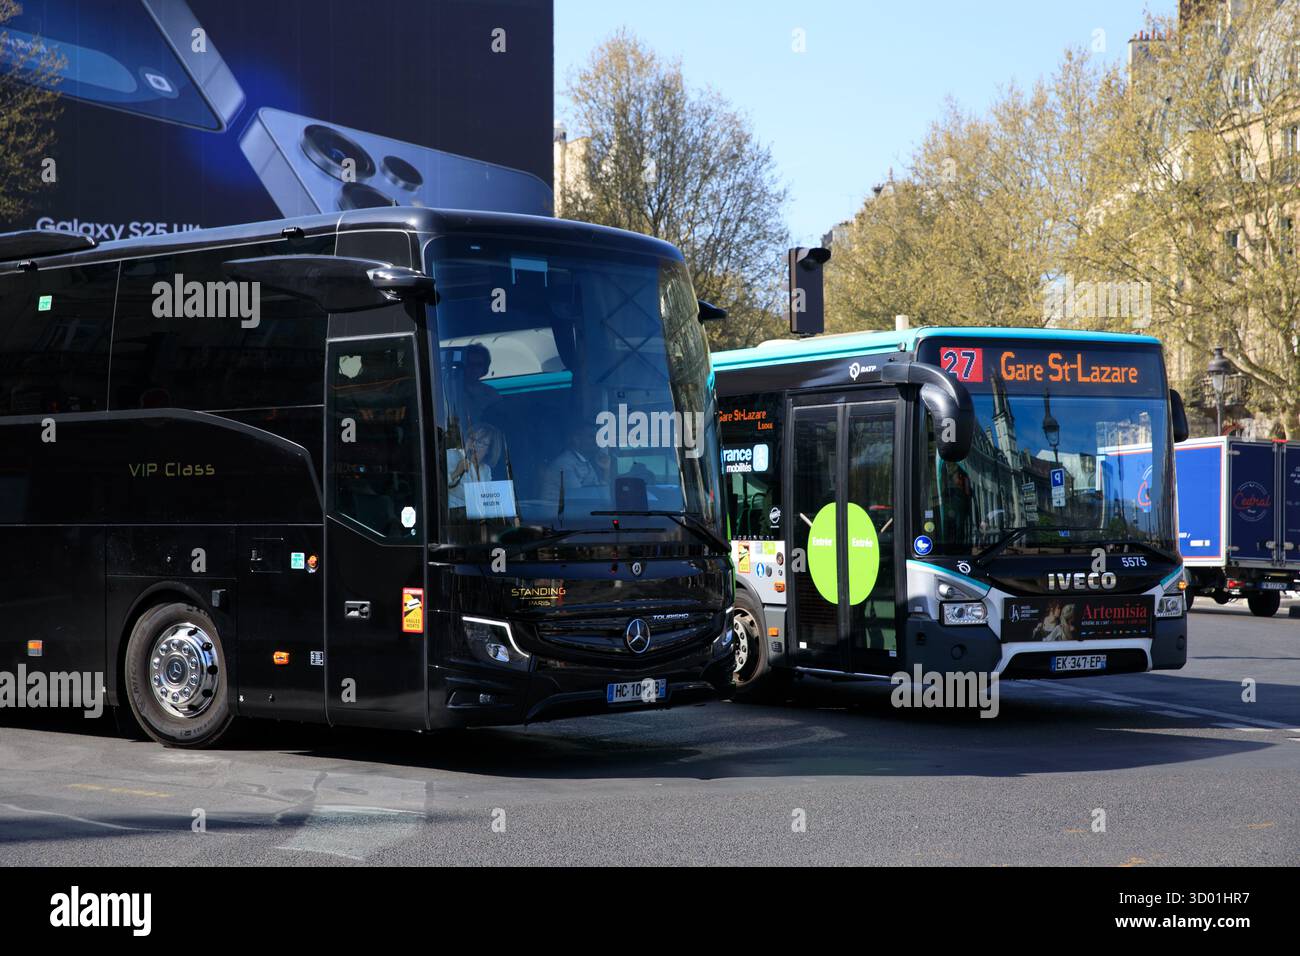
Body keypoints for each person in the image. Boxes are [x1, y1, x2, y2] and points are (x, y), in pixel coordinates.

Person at [541, 425, 604, 507]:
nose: (596, 441)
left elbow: (600, 492)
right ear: (576, 439)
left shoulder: (585, 462)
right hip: (555, 515)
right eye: (591, 437)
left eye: (597, 437)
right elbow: (579, 497)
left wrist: (605, 471)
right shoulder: (564, 463)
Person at [447, 422, 503, 511]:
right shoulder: (450, 455)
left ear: (489, 449)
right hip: (452, 519)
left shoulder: (486, 470)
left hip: (476, 520)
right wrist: (456, 472)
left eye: (480, 442)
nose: (474, 444)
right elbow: (437, 485)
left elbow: (485, 498)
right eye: (472, 439)